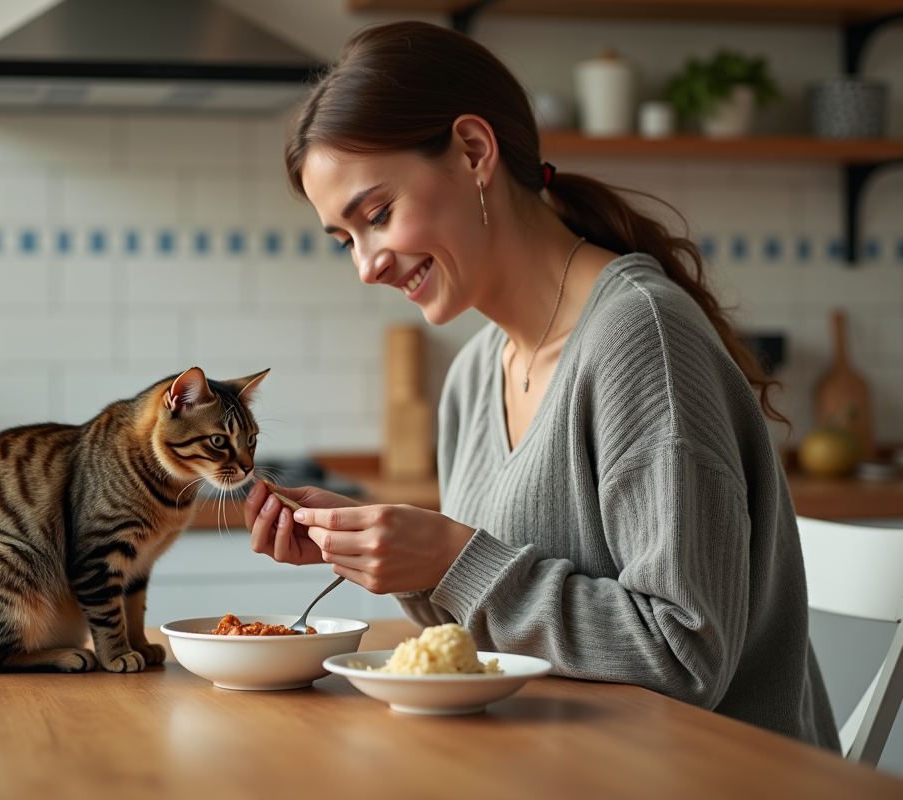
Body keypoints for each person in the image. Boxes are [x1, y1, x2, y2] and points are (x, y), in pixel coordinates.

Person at [241, 20, 840, 749]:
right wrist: (388, 554)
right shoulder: (472, 375)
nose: (367, 264)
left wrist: (453, 557)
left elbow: (687, 656)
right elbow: (491, 637)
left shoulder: (638, 337)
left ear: (472, 151)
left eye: (378, 215)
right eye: (346, 239)